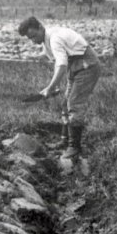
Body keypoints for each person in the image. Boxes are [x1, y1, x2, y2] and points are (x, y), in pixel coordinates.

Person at [17, 16, 100, 164]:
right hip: (74, 68)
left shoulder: (54, 38)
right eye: (30, 39)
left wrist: (51, 87)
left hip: (87, 66)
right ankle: (64, 140)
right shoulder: (47, 41)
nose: (33, 41)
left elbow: (61, 65)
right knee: (65, 103)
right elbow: (60, 63)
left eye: (34, 36)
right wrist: (52, 88)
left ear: (40, 27)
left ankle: (74, 147)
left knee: (74, 104)